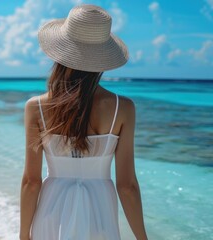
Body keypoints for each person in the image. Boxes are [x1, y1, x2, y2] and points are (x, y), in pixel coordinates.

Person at [20, 4, 148, 240]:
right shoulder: (123, 108)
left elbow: (31, 181)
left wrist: (23, 235)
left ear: (60, 53)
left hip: (50, 214)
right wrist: (142, 237)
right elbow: (127, 186)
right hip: (100, 214)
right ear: (102, 59)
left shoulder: (36, 107)